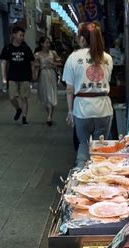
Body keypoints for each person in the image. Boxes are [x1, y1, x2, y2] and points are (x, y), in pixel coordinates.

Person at [63, 22, 114, 169]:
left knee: (84, 143)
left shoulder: (73, 58)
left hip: (82, 108)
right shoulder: (107, 58)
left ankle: (80, 172)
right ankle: (101, 175)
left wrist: (70, 111)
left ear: (83, 39)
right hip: (104, 108)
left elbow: (69, 89)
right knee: (100, 146)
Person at [0, 26, 35, 125]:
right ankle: (18, 109)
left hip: (25, 76)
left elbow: (32, 62)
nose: (22, 37)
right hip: (12, 76)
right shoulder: (8, 48)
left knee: (24, 97)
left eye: (23, 36)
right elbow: (3, 62)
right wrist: (3, 77)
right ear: (14, 35)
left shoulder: (26, 48)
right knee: (12, 97)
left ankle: (24, 117)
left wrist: (33, 75)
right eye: (20, 35)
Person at [34, 37, 61, 126]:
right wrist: (36, 70)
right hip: (43, 76)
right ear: (41, 44)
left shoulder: (53, 53)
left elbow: (60, 63)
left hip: (52, 74)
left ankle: (49, 116)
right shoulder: (37, 54)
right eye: (46, 43)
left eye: (49, 43)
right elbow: (35, 65)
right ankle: (49, 115)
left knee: (51, 95)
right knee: (45, 96)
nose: (48, 45)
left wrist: (53, 64)